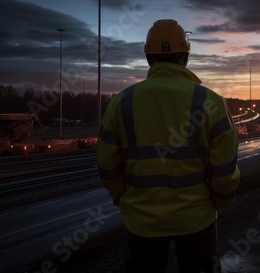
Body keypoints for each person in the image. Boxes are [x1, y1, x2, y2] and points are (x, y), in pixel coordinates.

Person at [97, 19, 240, 273]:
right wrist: (219, 201)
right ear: (185, 56)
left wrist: (123, 198)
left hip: (142, 222)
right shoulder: (210, 102)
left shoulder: (121, 103)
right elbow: (225, 169)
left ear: (149, 58)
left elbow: (107, 164)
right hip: (196, 220)